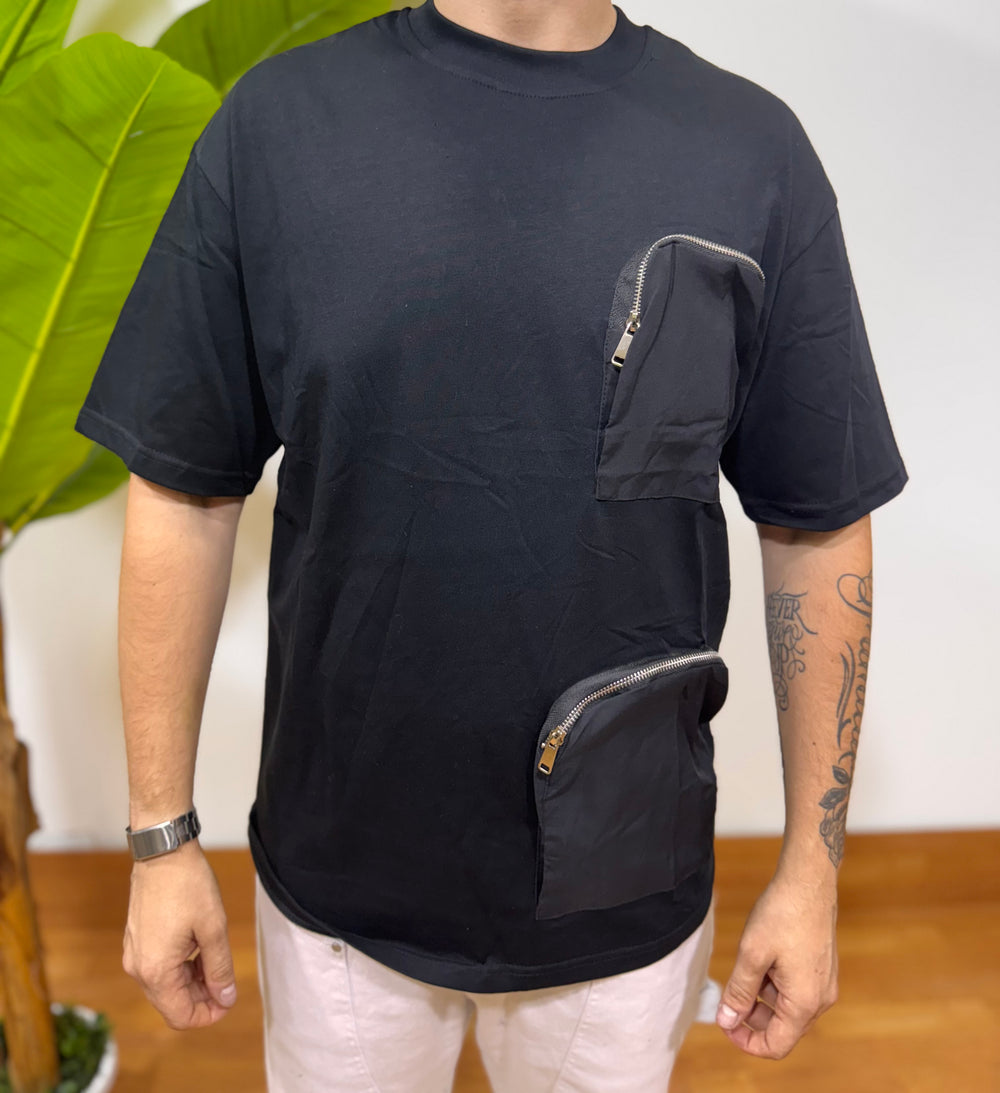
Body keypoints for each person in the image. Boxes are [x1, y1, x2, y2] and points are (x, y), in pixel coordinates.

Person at [74, 0, 908, 1089]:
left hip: (621, 894)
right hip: (341, 887)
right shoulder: (280, 126)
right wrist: (160, 836)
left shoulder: (748, 153)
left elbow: (815, 520)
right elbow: (185, 487)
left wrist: (812, 865)